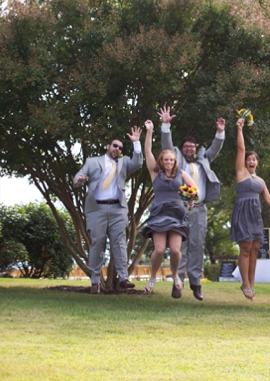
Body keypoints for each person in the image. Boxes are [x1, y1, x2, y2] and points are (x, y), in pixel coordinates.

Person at [157, 106, 225, 301]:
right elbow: (167, 147)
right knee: (179, 246)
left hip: (199, 208)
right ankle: (177, 282)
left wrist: (219, 133)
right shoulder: (177, 161)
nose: (189, 149)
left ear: (196, 150)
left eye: (192, 147)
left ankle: (196, 284)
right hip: (179, 208)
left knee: (197, 244)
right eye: (186, 147)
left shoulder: (204, 160)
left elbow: (215, 148)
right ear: (182, 149)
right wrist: (166, 125)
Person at [72, 126, 143, 294]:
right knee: (98, 243)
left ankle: (124, 278)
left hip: (118, 209)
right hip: (97, 209)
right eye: (115, 146)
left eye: (120, 147)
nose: (117, 149)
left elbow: (138, 162)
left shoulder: (124, 163)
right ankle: (95, 281)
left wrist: (136, 143)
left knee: (119, 242)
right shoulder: (92, 162)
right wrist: (80, 180)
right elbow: (77, 178)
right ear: (108, 146)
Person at [232, 118, 270, 301]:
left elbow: (268, 199)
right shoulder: (241, 173)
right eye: (249, 159)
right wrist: (240, 129)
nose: (252, 161)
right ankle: (245, 283)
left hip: (255, 215)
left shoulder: (261, 181)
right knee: (246, 248)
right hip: (242, 214)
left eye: (254, 159)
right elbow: (241, 149)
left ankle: (251, 282)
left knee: (256, 248)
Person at [141, 119, 196, 298]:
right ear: (161, 161)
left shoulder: (181, 173)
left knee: (175, 250)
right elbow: (147, 151)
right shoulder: (155, 173)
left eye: (171, 159)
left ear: (175, 161)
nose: (169, 162)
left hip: (177, 214)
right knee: (158, 249)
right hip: (159, 213)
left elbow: (194, 190)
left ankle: (175, 276)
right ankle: (152, 277)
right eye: (166, 159)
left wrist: (190, 200)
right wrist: (149, 131)